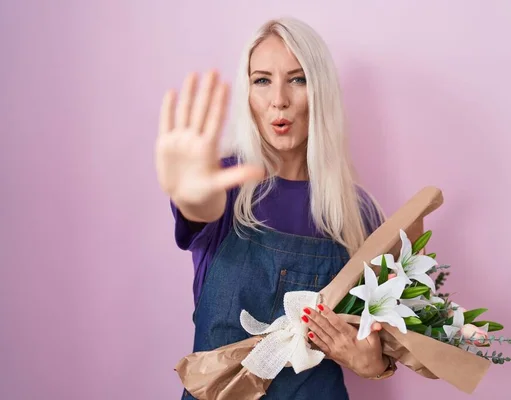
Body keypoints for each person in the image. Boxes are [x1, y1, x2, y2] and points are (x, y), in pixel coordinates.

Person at [155, 17, 396, 400]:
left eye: (297, 79)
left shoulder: (358, 212)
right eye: (261, 80)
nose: (278, 99)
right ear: (246, 92)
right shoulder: (225, 184)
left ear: (321, 91)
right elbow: (200, 205)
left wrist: (374, 364)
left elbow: (381, 339)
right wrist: (188, 193)